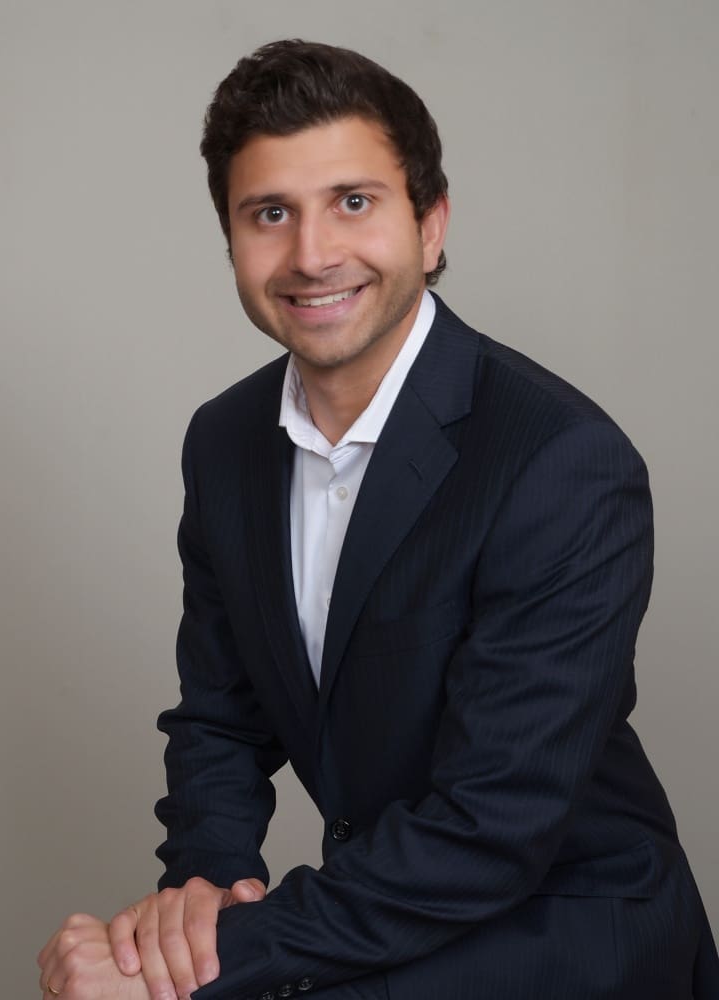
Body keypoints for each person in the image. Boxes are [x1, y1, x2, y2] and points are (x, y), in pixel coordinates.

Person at [38, 39, 718, 1000]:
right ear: (231, 240)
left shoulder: (561, 462)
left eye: (353, 202)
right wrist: (194, 901)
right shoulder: (225, 441)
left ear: (431, 225)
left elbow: (491, 831)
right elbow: (220, 719)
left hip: (563, 933)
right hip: (383, 912)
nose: (312, 254)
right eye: (270, 213)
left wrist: (206, 966)